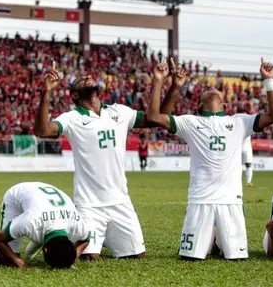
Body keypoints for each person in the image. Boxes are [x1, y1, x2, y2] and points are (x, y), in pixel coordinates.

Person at [34, 60, 184, 260]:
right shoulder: (71, 118)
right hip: (89, 205)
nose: (87, 76)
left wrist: (165, 83)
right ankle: (90, 240)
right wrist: (46, 93)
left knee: (137, 256)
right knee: (89, 258)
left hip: (120, 201)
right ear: (75, 95)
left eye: (89, 77)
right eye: (81, 79)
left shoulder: (119, 112)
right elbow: (42, 130)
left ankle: (102, 238)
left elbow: (156, 118)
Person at [145, 57, 273, 261]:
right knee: (190, 258)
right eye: (206, 93)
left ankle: (216, 239)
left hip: (231, 202)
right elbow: (154, 117)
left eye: (217, 91)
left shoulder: (239, 121)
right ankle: (213, 239)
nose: (211, 89)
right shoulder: (190, 122)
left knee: (237, 258)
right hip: (200, 201)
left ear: (224, 104)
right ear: (199, 105)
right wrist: (163, 83)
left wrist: (268, 81)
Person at [0, 182, 90, 269]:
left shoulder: (76, 225)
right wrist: (19, 263)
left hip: (42, 199)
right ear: (44, 250)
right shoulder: (30, 222)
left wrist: (72, 258)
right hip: (17, 196)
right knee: (7, 260)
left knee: (39, 232)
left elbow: (86, 240)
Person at [237, 107, 255, 187]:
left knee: (248, 164)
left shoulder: (248, 122)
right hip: (237, 146)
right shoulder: (235, 122)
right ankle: (237, 181)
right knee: (238, 166)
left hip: (246, 147)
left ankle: (248, 182)